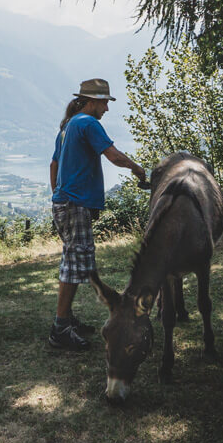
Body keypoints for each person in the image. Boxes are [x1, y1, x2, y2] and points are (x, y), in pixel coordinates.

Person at [48, 78, 148, 351]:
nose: (106, 107)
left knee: (76, 260)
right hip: (74, 204)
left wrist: (57, 194)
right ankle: (60, 328)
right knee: (73, 264)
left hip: (66, 202)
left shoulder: (68, 126)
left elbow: (54, 163)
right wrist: (138, 170)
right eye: (104, 102)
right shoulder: (89, 124)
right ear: (91, 102)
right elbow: (113, 156)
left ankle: (66, 319)